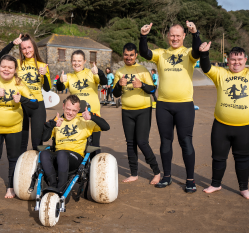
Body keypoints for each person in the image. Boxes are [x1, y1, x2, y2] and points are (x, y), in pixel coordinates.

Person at [139, 21, 202, 192]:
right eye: (172, 35)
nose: (174, 38)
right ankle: (167, 177)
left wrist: (195, 33)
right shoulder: (161, 53)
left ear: (183, 36)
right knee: (165, 141)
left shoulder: (189, 53)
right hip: (164, 105)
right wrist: (143, 36)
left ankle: (190, 180)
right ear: (168, 37)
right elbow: (144, 52)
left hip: (185, 105)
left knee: (186, 141)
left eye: (178, 35)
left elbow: (197, 50)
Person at [199, 43, 249, 199]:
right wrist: (205, 54)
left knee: (242, 158)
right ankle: (215, 184)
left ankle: (244, 188)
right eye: (233, 60)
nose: (236, 63)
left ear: (245, 60)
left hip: (244, 127)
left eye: (239, 59)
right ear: (227, 61)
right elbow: (206, 68)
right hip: (221, 125)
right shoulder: (220, 73)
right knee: (218, 157)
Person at [40, 95, 110, 192]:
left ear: (79, 110)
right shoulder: (57, 121)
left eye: (74, 110)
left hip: (75, 158)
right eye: (68, 109)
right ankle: (53, 184)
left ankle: (61, 187)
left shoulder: (84, 122)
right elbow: (44, 138)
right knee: (44, 154)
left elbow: (106, 127)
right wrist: (51, 125)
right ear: (63, 106)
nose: (70, 113)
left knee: (62, 154)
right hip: (59, 155)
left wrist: (92, 117)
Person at [113, 43, 160, 184]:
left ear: (136, 55)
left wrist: (142, 85)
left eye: (131, 55)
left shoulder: (143, 70)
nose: (129, 58)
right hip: (127, 111)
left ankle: (156, 172)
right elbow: (115, 94)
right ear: (123, 55)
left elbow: (152, 90)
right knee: (130, 143)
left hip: (143, 110)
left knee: (142, 142)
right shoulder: (119, 72)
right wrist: (118, 85)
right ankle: (134, 173)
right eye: (126, 55)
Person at [0, 54, 38, 198]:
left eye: (10, 67)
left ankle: (10, 187)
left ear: (15, 69)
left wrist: (22, 99)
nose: (6, 69)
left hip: (14, 127)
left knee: (13, 158)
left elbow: (35, 104)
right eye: (3, 66)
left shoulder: (19, 82)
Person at [56, 50, 107, 155]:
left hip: (93, 115)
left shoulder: (91, 73)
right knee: (78, 145)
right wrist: (60, 81)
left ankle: (95, 170)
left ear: (84, 61)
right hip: (77, 118)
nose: (76, 63)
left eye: (79, 61)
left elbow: (104, 82)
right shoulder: (69, 76)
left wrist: (99, 72)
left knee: (94, 146)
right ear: (71, 62)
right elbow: (60, 87)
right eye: (74, 61)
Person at [17, 34, 51, 153]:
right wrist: (12, 43)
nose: (27, 51)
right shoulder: (17, 64)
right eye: (24, 48)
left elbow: (47, 88)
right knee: (21, 143)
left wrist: (45, 75)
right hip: (21, 105)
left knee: (37, 143)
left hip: (38, 105)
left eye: (29, 47)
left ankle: (37, 169)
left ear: (34, 47)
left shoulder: (43, 65)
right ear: (21, 50)